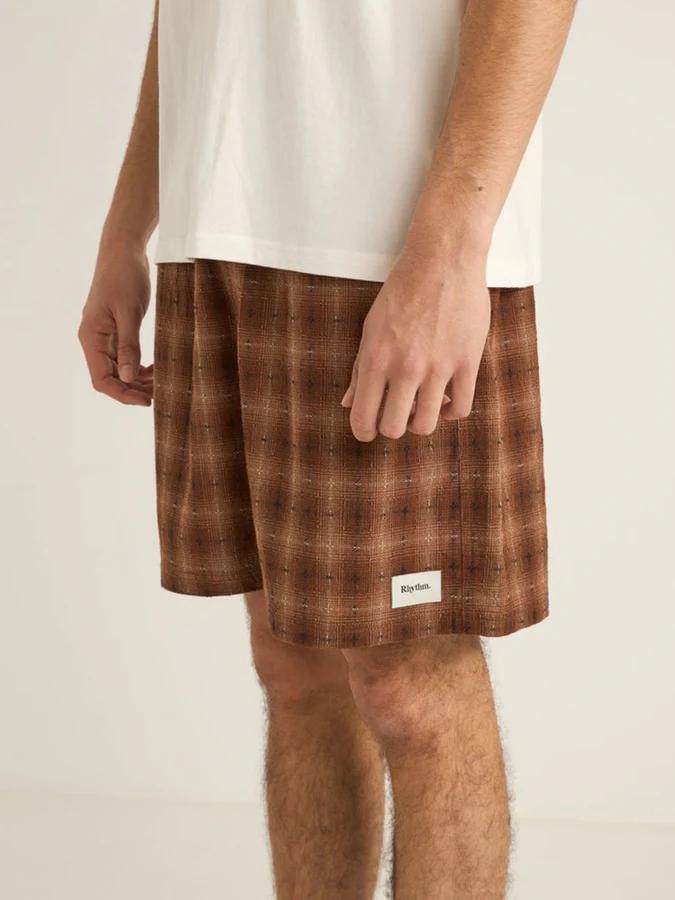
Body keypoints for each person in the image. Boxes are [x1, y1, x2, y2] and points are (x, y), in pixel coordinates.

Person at [79, 1, 577, 896]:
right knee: (291, 662)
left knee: (408, 686)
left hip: (389, 243)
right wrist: (128, 229)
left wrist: (450, 251)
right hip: (213, 225)